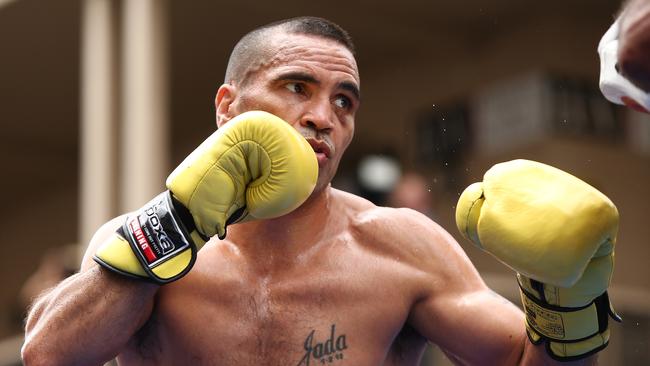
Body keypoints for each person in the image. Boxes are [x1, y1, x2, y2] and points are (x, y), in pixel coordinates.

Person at [22, 17, 619, 365]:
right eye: (296, 87)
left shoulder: (399, 247)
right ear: (227, 107)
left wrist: (569, 309)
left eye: (344, 101)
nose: (322, 116)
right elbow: (46, 354)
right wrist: (176, 225)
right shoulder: (152, 245)